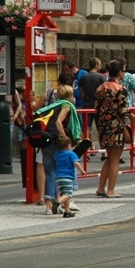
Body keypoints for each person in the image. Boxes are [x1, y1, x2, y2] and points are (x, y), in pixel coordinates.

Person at [39, 84, 81, 215]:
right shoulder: (66, 105)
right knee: (65, 170)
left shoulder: (52, 106)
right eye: (72, 95)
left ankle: (48, 206)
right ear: (69, 96)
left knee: (50, 174)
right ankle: (65, 201)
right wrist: (65, 139)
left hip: (45, 141)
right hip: (56, 143)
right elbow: (58, 122)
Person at [95, 59, 131, 198]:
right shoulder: (120, 89)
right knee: (115, 159)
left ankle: (100, 188)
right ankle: (111, 190)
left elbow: (97, 108)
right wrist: (129, 114)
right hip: (116, 126)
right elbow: (122, 110)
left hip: (103, 126)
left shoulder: (101, 87)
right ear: (120, 72)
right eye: (124, 70)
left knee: (109, 158)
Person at [53, 134, 85, 218]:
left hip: (59, 178)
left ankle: (67, 212)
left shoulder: (57, 154)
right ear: (69, 145)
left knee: (64, 194)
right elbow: (76, 163)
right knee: (68, 194)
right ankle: (57, 202)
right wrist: (82, 170)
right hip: (67, 177)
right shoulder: (71, 154)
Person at [78, 57, 106, 146]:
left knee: (86, 128)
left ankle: (86, 149)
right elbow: (104, 91)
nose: (101, 66)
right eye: (100, 64)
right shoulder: (101, 77)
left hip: (87, 105)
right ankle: (103, 151)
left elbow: (81, 92)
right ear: (96, 65)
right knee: (100, 128)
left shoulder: (84, 77)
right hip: (98, 106)